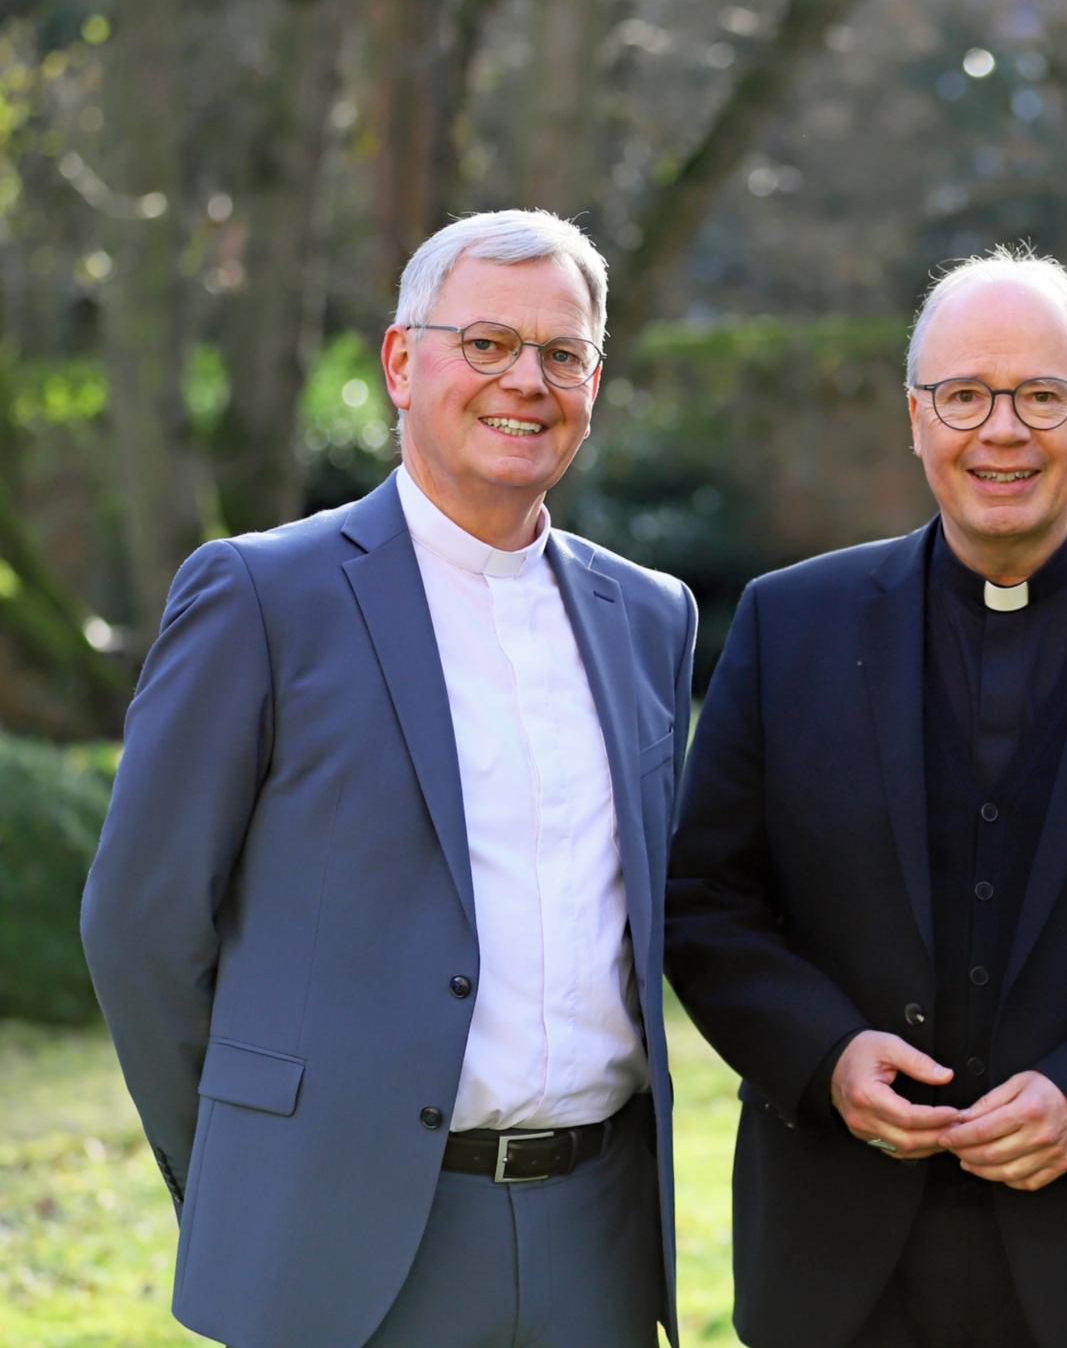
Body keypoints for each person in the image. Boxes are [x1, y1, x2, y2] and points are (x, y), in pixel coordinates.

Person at [667, 246, 1067, 1348]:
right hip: (836, 1258)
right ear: (915, 417)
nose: (1003, 430)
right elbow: (706, 902)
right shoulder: (789, 629)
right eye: (965, 395)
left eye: (1041, 395)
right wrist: (824, 1059)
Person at [80, 209, 697, 1348]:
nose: (527, 381)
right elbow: (140, 926)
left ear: (593, 383)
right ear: (402, 363)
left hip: (600, 1239)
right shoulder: (263, 597)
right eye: (488, 343)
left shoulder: (649, 616)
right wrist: (247, 1171)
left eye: (563, 353)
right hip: (345, 1244)